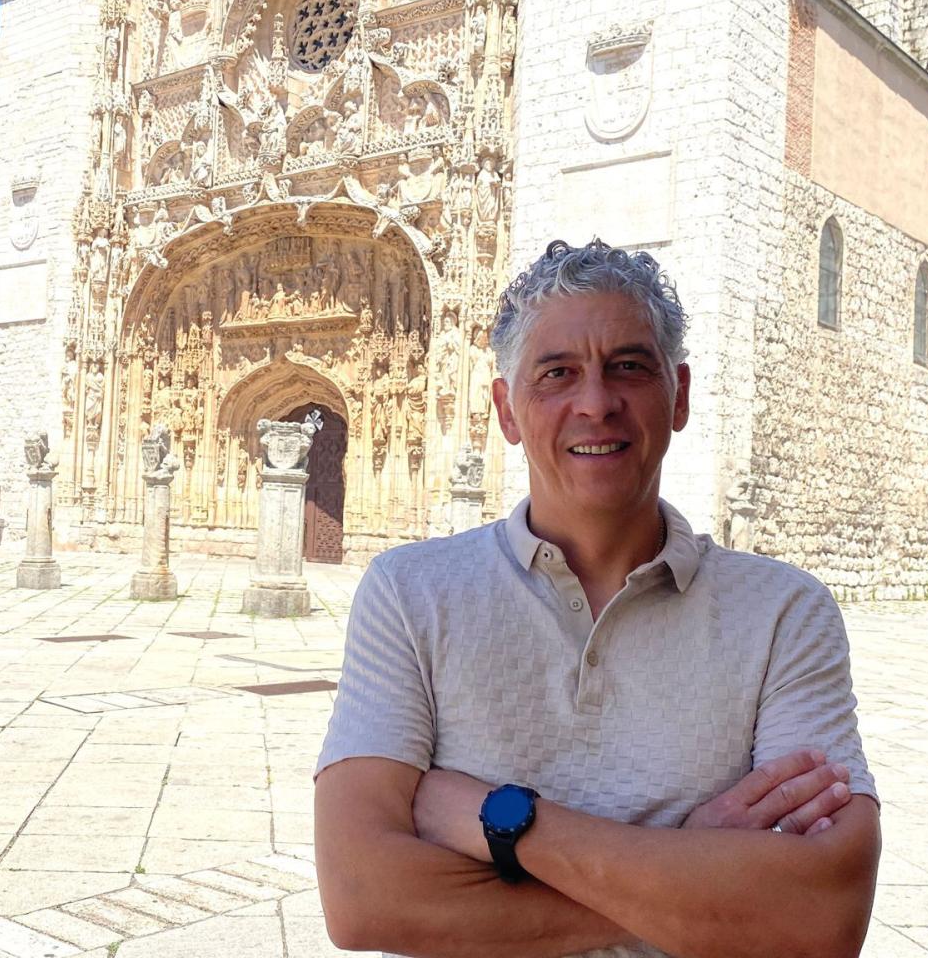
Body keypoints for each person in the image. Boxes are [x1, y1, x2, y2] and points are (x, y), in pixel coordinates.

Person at [314, 239, 881, 958]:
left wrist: (500, 819)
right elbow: (364, 900)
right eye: (556, 373)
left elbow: (820, 916)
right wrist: (691, 872)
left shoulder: (784, 614)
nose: (596, 402)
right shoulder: (409, 594)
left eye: (629, 368)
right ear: (507, 410)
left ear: (678, 396)